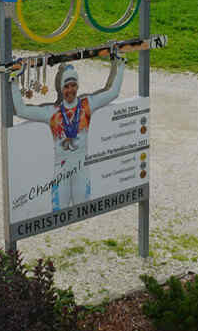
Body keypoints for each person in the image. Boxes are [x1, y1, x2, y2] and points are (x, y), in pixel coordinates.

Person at [11, 54, 125, 213]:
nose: (70, 90)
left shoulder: (87, 105)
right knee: (58, 214)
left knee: (83, 211)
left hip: (82, 166)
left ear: (77, 86)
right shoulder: (52, 112)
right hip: (61, 169)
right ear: (60, 88)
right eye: (66, 86)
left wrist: (120, 65)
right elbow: (21, 110)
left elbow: (113, 93)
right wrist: (13, 80)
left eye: (73, 85)